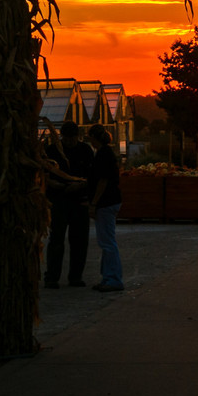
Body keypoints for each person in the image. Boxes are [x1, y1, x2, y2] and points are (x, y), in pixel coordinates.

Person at [44, 121, 93, 288]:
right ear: (62, 136)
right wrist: (51, 183)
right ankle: (52, 277)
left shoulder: (85, 151)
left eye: (72, 138)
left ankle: (75, 276)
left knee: (78, 241)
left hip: (78, 199)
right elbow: (42, 173)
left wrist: (80, 185)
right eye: (67, 138)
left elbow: (91, 176)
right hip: (59, 200)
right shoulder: (51, 151)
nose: (70, 141)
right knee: (57, 239)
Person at [87, 124, 123, 292]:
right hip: (111, 201)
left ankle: (113, 279)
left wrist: (94, 203)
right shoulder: (106, 153)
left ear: (94, 138)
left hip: (106, 203)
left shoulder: (102, 155)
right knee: (106, 240)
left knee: (107, 242)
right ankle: (108, 276)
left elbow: (102, 181)